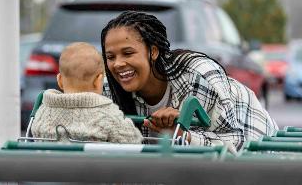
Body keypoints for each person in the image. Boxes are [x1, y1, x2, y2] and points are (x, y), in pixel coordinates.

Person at [101, 11, 278, 152]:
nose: (118, 64)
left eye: (128, 53)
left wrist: (183, 135)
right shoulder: (111, 89)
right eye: (110, 57)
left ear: (153, 52)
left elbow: (235, 145)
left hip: (254, 146)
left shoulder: (198, 78)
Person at [31, 42, 143, 144]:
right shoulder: (107, 113)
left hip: (47, 165)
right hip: (92, 166)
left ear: (60, 80)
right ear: (99, 81)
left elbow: (35, 134)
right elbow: (133, 141)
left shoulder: (43, 110)